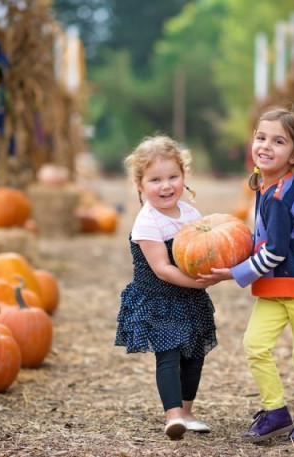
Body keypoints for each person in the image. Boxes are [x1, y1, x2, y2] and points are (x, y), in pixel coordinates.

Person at [199, 107, 294, 445]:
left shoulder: (279, 197)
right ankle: (275, 411)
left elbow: (274, 252)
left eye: (278, 141)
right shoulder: (266, 188)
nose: (265, 146)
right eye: (261, 138)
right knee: (255, 345)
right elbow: (265, 242)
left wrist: (234, 272)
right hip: (279, 285)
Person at [115, 135, 219, 441]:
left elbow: (201, 251)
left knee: (195, 354)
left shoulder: (191, 215)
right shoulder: (147, 222)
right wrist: (200, 281)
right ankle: (173, 416)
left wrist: (215, 269)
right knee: (169, 355)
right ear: (140, 185)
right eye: (155, 179)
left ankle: (187, 412)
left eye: (173, 177)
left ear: (184, 178)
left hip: (190, 298)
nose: (166, 186)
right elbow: (162, 269)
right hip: (159, 298)